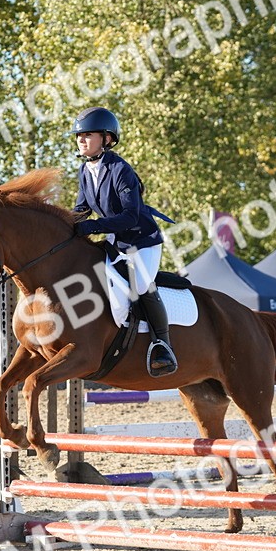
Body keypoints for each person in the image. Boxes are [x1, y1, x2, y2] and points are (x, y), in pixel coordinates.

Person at [70, 107, 178, 377]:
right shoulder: (85, 170)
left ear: (107, 139)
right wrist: (60, 223)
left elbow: (130, 216)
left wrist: (93, 226)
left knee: (140, 285)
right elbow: (82, 209)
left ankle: (162, 344)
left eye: (88, 135)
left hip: (142, 240)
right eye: (79, 135)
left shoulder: (120, 169)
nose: (81, 139)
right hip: (116, 241)